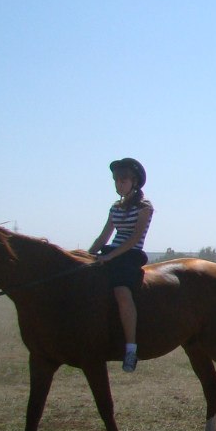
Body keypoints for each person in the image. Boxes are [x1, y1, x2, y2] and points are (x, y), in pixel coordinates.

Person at [90, 158, 153, 372]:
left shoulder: (145, 207)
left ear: (134, 182)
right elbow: (104, 236)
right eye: (116, 181)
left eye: (123, 180)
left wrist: (110, 257)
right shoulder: (115, 208)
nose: (119, 185)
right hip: (112, 254)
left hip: (130, 255)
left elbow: (135, 238)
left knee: (122, 292)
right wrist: (87, 255)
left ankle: (131, 349)